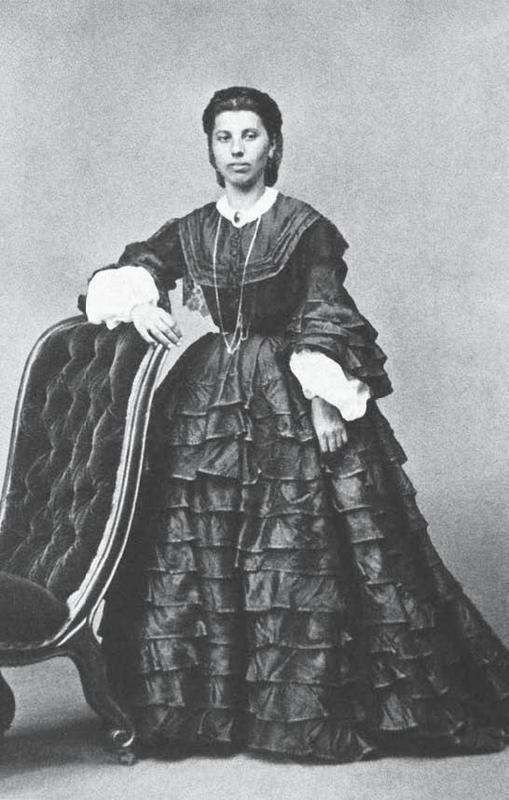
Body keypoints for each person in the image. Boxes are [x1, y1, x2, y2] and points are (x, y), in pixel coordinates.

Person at [82, 86, 509, 762]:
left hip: (286, 390)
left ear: (273, 144)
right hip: (206, 393)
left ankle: (299, 710)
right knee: (197, 540)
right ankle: (207, 713)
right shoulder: (192, 228)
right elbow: (137, 269)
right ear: (210, 149)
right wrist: (138, 305)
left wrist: (322, 399)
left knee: (297, 542)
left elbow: (322, 310)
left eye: (249, 136)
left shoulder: (304, 227)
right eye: (224, 138)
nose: (237, 150)